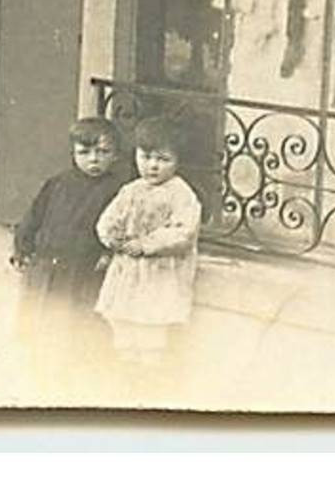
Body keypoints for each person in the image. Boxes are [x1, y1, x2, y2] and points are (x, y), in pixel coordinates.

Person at [10, 117, 130, 360]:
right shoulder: (58, 183)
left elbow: (124, 228)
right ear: (73, 153)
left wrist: (109, 254)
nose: (93, 159)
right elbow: (34, 216)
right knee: (40, 317)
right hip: (46, 263)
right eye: (84, 152)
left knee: (74, 324)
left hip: (83, 267)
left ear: (116, 155)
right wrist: (22, 247)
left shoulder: (119, 190)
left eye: (102, 152)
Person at [94, 118, 202, 366]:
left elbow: (183, 232)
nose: (152, 166)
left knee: (151, 332)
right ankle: (126, 372)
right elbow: (109, 220)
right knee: (123, 326)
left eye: (163, 159)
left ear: (178, 161)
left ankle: (148, 376)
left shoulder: (181, 194)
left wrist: (147, 244)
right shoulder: (131, 190)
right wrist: (113, 237)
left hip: (159, 274)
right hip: (127, 272)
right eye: (145, 157)